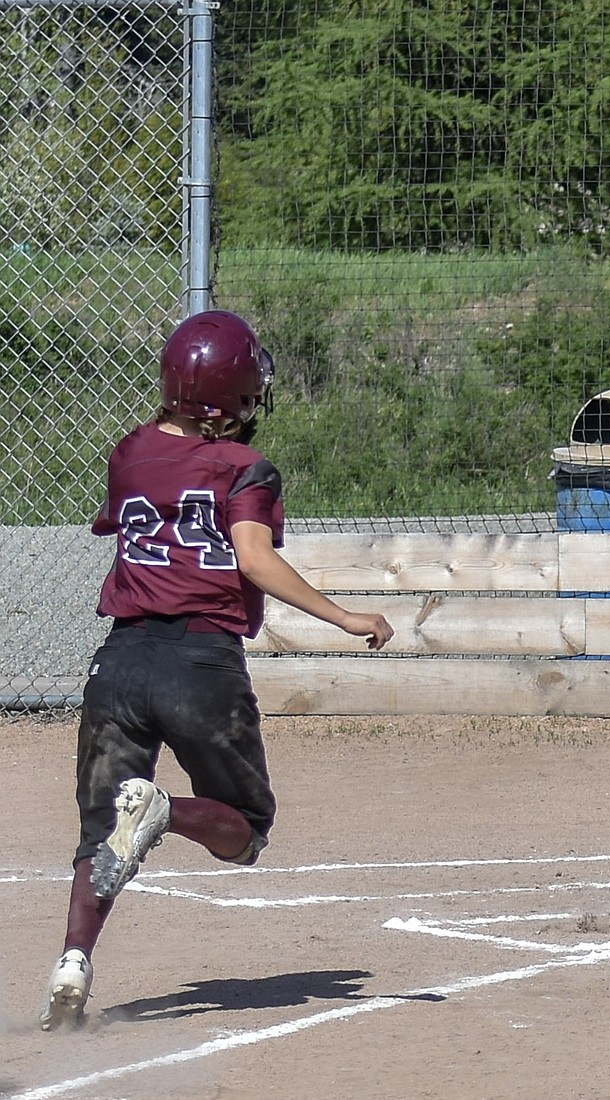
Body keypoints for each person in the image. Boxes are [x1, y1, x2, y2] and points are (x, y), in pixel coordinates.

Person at [40, 310, 395, 1031]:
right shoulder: (244, 468)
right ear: (232, 395)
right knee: (247, 828)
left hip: (119, 664)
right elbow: (253, 558)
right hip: (200, 665)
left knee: (100, 832)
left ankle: (73, 961)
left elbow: (145, 510)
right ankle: (165, 812)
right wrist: (347, 616)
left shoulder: (127, 453)